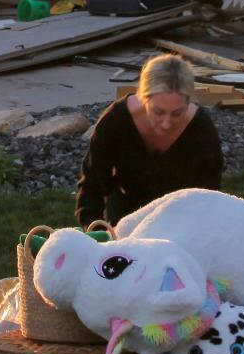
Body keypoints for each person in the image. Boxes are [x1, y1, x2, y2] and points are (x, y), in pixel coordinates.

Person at [75, 54, 223, 226]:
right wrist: (97, 231)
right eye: (158, 112)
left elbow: (208, 198)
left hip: (179, 223)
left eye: (177, 113)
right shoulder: (117, 120)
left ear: (188, 103)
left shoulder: (201, 130)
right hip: (124, 219)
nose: (167, 124)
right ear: (143, 98)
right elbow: (91, 186)